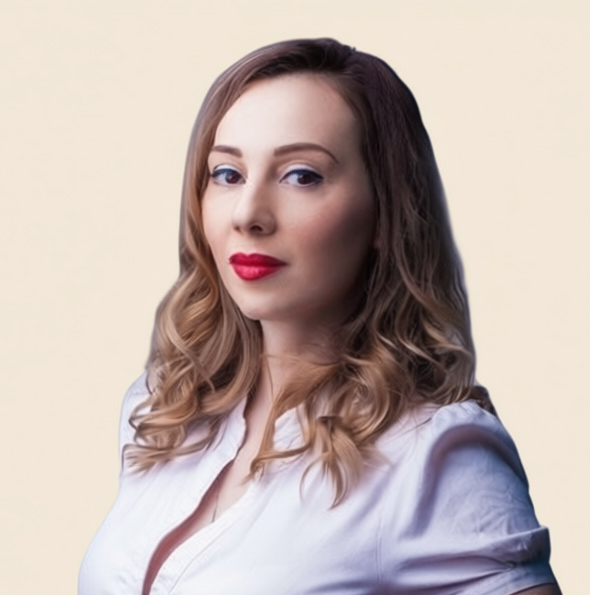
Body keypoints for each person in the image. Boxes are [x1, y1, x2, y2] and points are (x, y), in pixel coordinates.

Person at [79, 38, 560, 594]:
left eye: (301, 175)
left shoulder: (431, 457)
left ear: (385, 212)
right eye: (228, 174)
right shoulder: (162, 410)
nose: (248, 214)